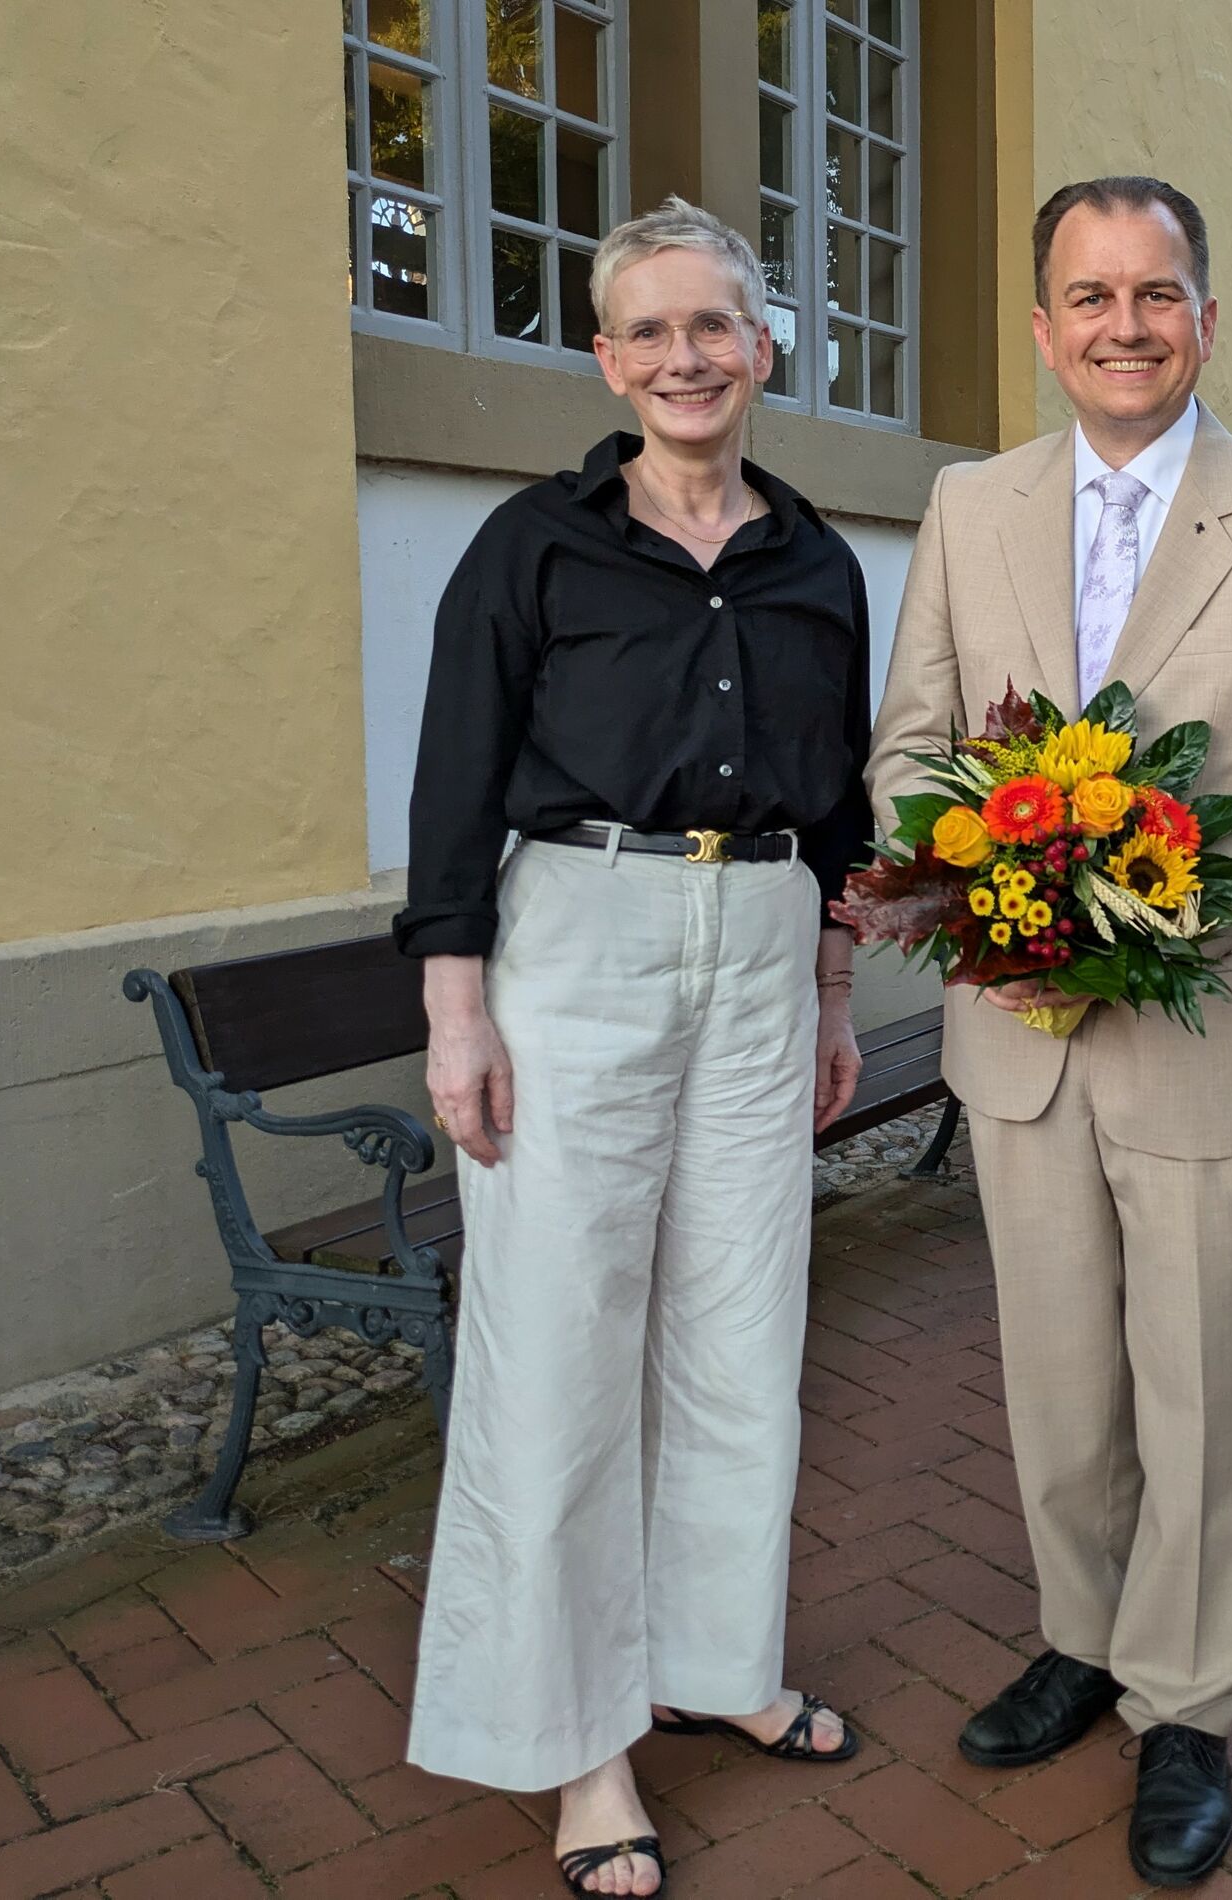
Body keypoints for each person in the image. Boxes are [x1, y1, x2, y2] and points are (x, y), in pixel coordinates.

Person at [869, 176, 1232, 1887]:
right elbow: (911, 746)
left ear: (1209, 318)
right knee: (1057, 1378)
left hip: (1197, 1020)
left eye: (1155, 293)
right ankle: (1081, 1638)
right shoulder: (968, 504)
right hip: (1017, 1027)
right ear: (1043, 327)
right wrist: (988, 876)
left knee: (1197, 1379)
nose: (1123, 325)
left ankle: (1186, 1703)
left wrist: (1163, 894)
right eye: (1088, 297)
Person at [394, 198, 872, 1899]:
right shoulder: (534, 545)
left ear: (762, 345)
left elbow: (842, 807)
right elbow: (453, 786)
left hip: (755, 951)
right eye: (649, 330)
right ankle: (580, 1745)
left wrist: (826, 993)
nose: (685, 356)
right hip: (577, 946)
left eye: (715, 326)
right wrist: (458, 1016)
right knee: (562, 1345)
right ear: (607, 356)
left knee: (745, 1331)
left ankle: (715, 1662)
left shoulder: (817, 559)